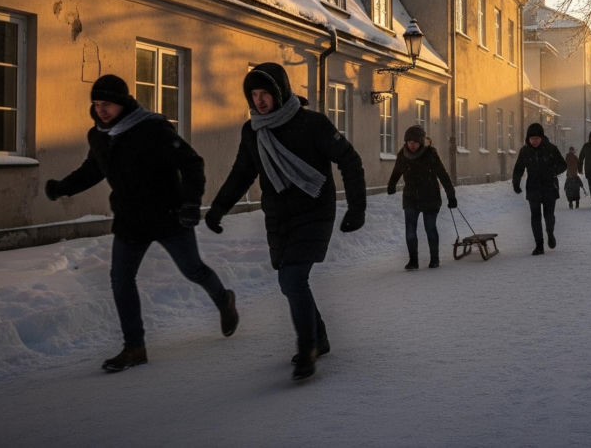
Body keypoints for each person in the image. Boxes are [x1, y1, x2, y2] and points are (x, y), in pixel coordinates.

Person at [44, 74, 238, 373]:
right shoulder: (99, 135)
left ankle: (224, 300)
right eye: (97, 104)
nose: (101, 110)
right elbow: (93, 169)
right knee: (121, 279)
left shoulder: (153, 129)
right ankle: (134, 347)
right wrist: (62, 188)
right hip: (130, 219)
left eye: (107, 104)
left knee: (192, 269)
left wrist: (191, 203)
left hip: (168, 215)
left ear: (123, 103)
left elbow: (192, 163)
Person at [205, 62, 365, 382]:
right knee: (288, 282)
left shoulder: (312, 123)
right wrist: (218, 208)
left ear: (280, 92)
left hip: (315, 211)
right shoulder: (253, 131)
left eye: (265, 93)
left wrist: (356, 208)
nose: (260, 100)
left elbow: (349, 159)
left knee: (293, 278)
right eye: (254, 95)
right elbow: (242, 172)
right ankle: (319, 338)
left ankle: (308, 349)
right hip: (279, 217)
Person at [386, 124, 457, 270]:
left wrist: (451, 196)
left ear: (420, 142)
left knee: (430, 228)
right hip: (410, 197)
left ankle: (434, 259)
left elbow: (443, 175)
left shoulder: (430, 154)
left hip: (430, 197)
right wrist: (391, 185)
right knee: (410, 231)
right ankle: (413, 261)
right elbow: (397, 171)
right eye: (409, 142)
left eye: (415, 142)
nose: (412, 145)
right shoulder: (402, 155)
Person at [512, 122, 566, 255]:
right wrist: (516, 183)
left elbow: (563, 165)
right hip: (533, 188)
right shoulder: (525, 151)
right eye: (532, 139)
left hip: (549, 187)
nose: (534, 141)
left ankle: (550, 232)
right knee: (535, 217)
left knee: (549, 216)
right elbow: (519, 168)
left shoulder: (551, 149)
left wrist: (553, 171)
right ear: (528, 139)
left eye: (536, 138)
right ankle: (539, 245)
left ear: (541, 137)